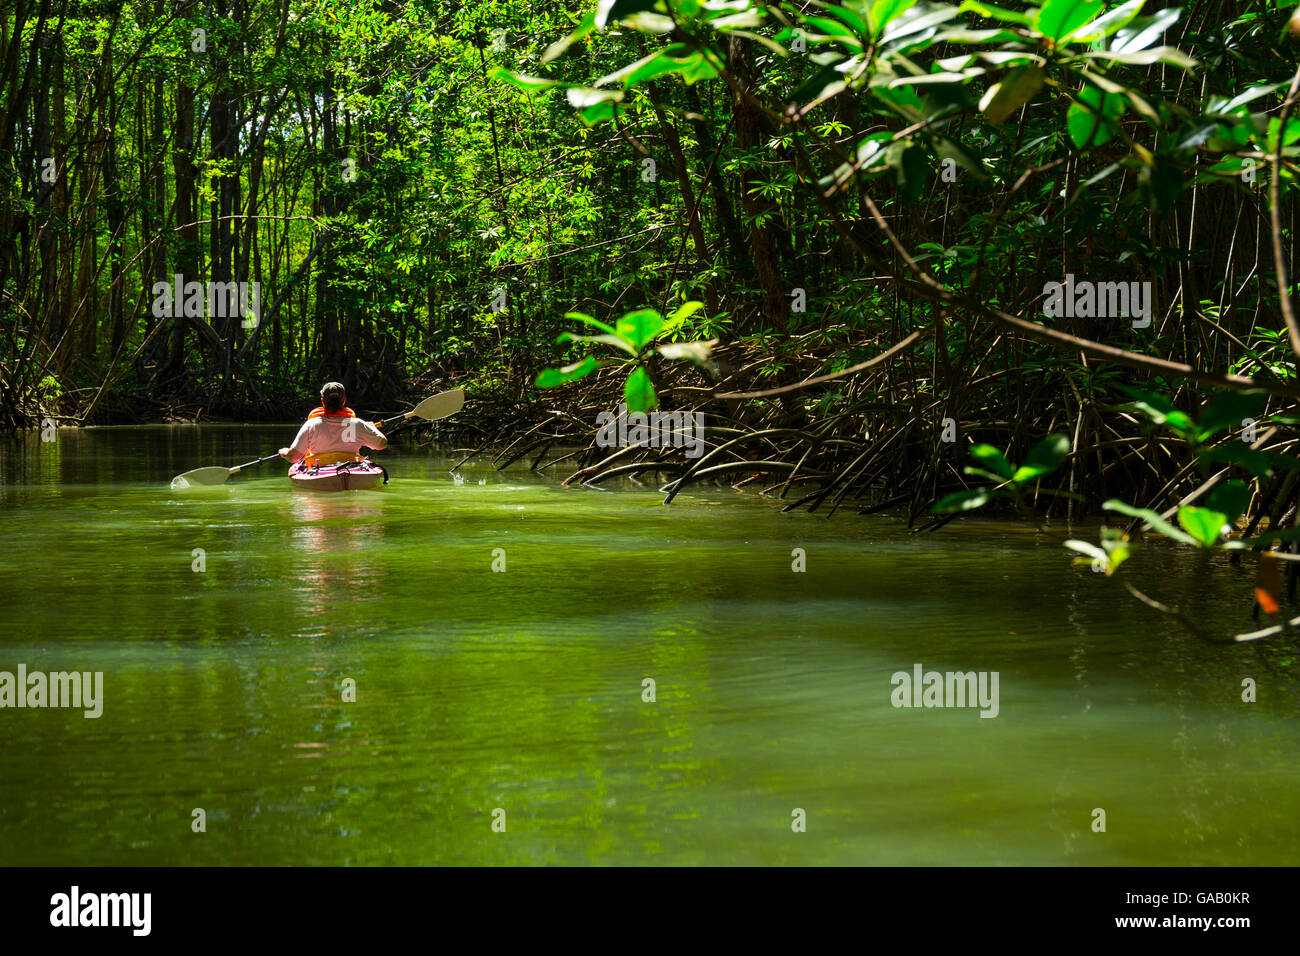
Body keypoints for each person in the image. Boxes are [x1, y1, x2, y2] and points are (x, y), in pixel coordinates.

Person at [279, 382, 387, 466]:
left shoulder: (311, 425)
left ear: (323, 402)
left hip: (319, 469)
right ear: (344, 401)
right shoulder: (357, 424)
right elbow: (382, 444)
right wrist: (372, 428)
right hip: (351, 468)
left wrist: (283, 452)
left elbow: (293, 457)